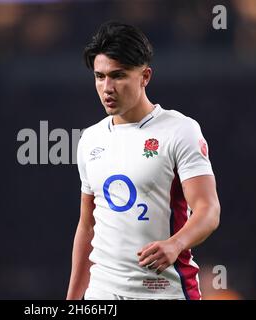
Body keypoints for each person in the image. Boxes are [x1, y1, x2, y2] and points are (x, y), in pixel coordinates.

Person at [66, 21, 221, 300]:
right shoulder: (90, 139)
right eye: (100, 77)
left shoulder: (179, 130)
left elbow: (208, 210)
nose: (107, 87)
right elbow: (87, 226)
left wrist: (176, 244)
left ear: (145, 76)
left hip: (163, 291)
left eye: (118, 75)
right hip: (103, 293)